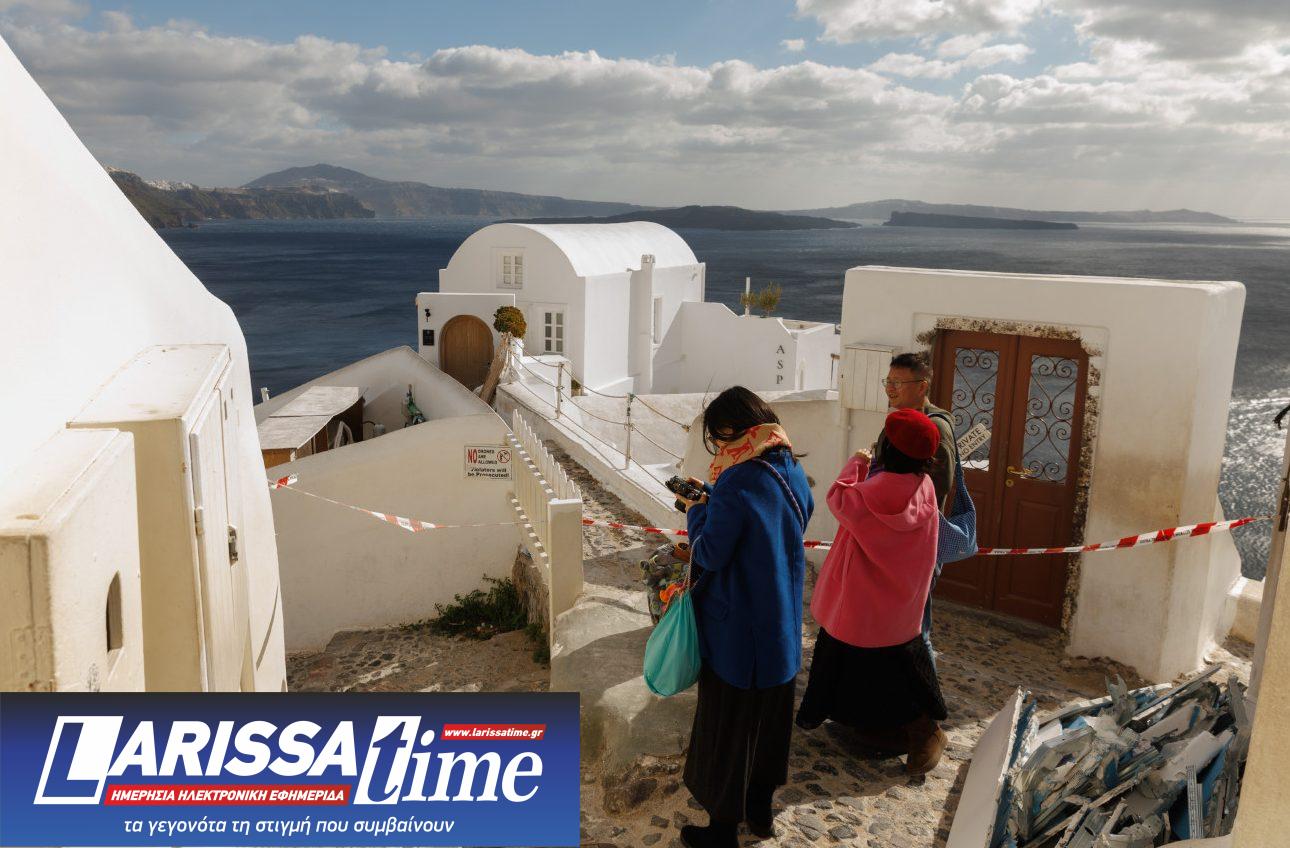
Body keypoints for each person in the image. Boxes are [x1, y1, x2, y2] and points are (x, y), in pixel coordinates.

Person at [674, 386, 814, 848]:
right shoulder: (790, 469)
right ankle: (761, 814)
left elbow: (711, 552)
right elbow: (767, 521)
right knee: (768, 728)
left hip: (737, 632)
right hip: (780, 629)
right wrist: (717, 500)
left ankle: (720, 832)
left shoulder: (736, 481)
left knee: (729, 729)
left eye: (718, 437)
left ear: (733, 431)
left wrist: (697, 512)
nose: (719, 447)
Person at [795, 407, 948, 776]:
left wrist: (856, 463)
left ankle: (919, 731)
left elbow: (837, 497)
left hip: (862, 600)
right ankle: (888, 729)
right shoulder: (923, 488)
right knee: (895, 666)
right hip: (901, 598)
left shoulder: (868, 493)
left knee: (860, 664)